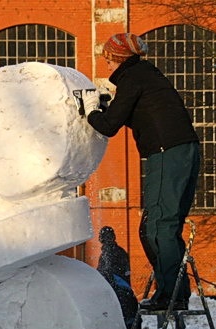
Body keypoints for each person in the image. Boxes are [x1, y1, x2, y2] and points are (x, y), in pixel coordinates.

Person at [83, 32, 200, 312]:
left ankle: (171, 296)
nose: (106, 64)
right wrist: (105, 106)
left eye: (107, 59)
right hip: (182, 152)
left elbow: (109, 125)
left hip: (166, 153)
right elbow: (126, 114)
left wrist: (90, 112)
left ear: (117, 58)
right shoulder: (146, 76)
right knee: (158, 227)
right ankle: (175, 292)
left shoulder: (133, 78)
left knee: (158, 227)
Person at [97, 226, 141, 329]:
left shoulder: (108, 254)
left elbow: (105, 277)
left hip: (117, 300)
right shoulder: (121, 252)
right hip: (127, 299)